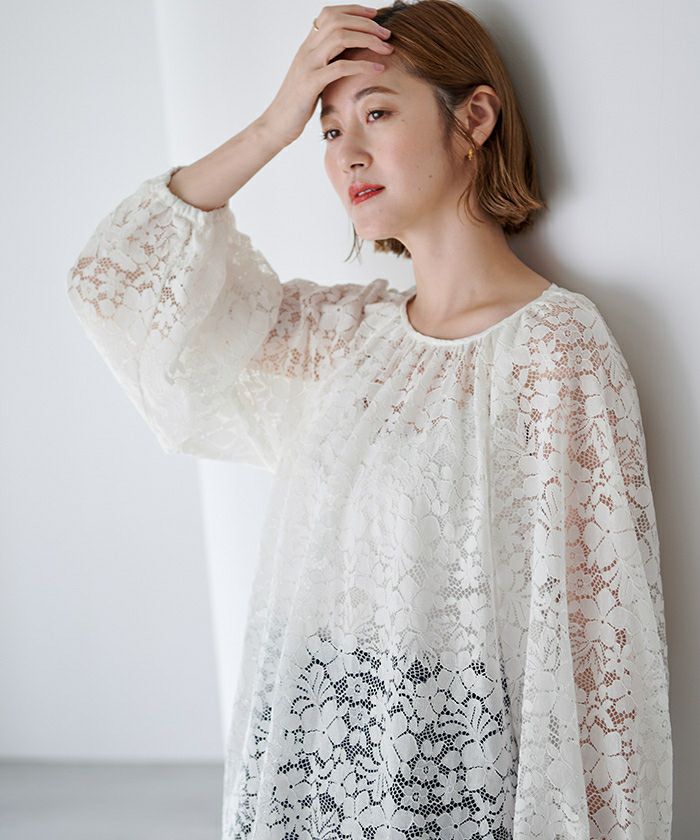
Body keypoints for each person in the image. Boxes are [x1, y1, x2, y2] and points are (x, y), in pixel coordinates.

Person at [65, 1, 672, 837]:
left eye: (377, 114)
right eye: (328, 130)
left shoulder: (552, 350)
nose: (346, 151)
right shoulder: (344, 338)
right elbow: (114, 284)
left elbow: (599, 655)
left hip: (447, 777)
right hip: (305, 761)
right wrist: (272, 126)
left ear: (475, 118)